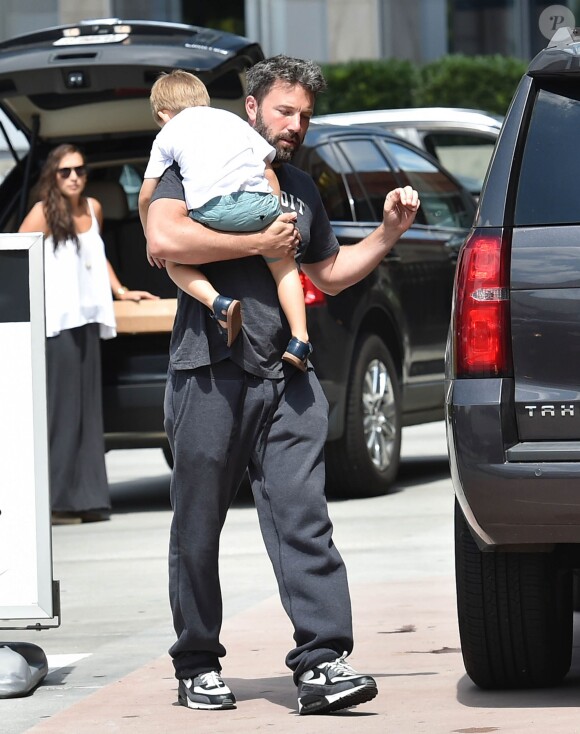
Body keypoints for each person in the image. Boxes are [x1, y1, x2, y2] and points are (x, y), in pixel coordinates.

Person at [146, 55, 420, 715]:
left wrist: (385, 234)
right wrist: (256, 242)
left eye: (304, 115)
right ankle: (197, 663)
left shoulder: (299, 185)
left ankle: (323, 661)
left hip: (289, 374)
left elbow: (326, 273)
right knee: (198, 523)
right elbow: (163, 235)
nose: (295, 125)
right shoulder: (191, 165)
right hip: (209, 370)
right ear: (250, 109)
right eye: (284, 112)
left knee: (305, 518)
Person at [18, 144, 159, 525]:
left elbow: (96, 255)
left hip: (86, 321)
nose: (74, 177)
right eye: (65, 171)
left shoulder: (93, 208)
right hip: (55, 324)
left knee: (86, 414)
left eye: (79, 170)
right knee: (61, 414)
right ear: (52, 175)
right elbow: (16, 260)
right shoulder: (43, 212)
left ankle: (87, 500)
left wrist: (121, 290)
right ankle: (56, 503)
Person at [139, 70, 311, 370]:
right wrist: (276, 213)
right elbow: (267, 169)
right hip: (259, 204)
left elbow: (145, 196)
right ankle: (299, 339)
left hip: (213, 211)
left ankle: (217, 302)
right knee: (284, 266)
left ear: (164, 114)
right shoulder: (231, 120)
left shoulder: (169, 132)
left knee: (175, 261)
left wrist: (149, 238)